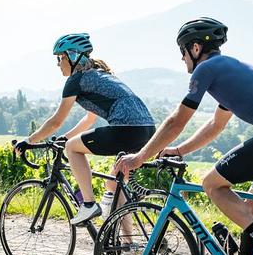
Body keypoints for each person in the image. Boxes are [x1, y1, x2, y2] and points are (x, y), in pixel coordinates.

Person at [115, 17, 253, 255]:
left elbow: (177, 119)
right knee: (252, 211)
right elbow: (215, 125)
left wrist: (140, 157)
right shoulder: (229, 69)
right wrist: (178, 149)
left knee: (212, 184)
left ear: (195, 48)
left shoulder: (206, 69)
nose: (182, 59)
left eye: (182, 51)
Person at [15, 33, 156, 225]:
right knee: (114, 185)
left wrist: (29, 140)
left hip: (126, 130)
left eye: (60, 57)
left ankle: (88, 205)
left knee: (72, 148)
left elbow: (56, 121)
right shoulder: (100, 76)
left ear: (73, 57)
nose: (58, 63)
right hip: (146, 131)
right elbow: (89, 118)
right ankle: (130, 246)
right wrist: (65, 137)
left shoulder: (77, 80)